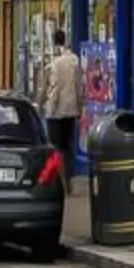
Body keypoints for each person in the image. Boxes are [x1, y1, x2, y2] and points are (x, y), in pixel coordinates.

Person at [38, 27, 83, 168]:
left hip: (55, 111)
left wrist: (39, 105)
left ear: (53, 41)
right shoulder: (74, 60)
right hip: (70, 110)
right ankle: (69, 174)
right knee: (68, 145)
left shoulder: (52, 62)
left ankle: (59, 175)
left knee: (55, 147)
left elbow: (44, 88)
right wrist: (79, 107)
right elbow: (79, 86)